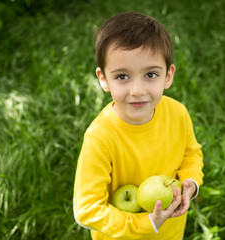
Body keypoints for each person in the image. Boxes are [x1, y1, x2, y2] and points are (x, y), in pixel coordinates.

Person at [73, 11, 204, 240]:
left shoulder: (177, 114)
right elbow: (87, 209)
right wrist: (147, 222)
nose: (137, 91)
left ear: (168, 76)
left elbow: (191, 154)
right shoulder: (100, 138)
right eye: (122, 76)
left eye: (151, 74)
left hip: (169, 233)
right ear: (103, 79)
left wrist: (190, 183)